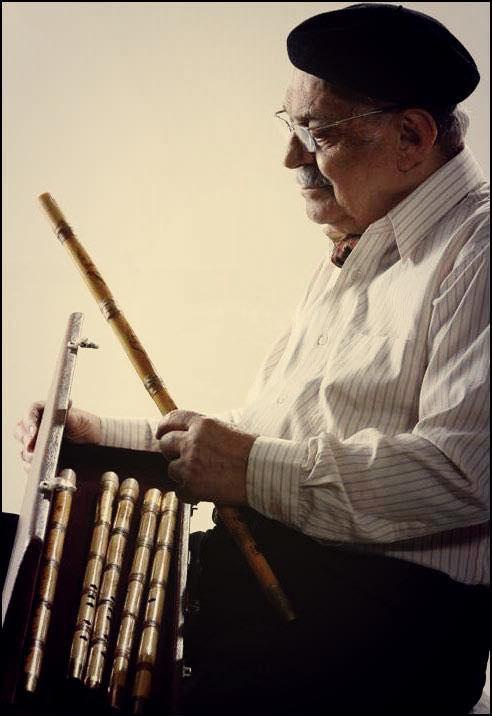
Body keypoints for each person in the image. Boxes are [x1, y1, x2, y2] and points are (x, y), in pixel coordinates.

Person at [15, 4, 489, 714]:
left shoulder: (480, 251)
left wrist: (249, 468)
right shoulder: (363, 235)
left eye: (316, 134)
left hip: (377, 647)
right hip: (287, 617)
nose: (291, 159)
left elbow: (465, 474)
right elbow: (278, 434)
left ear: (412, 136)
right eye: (288, 128)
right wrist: (100, 437)